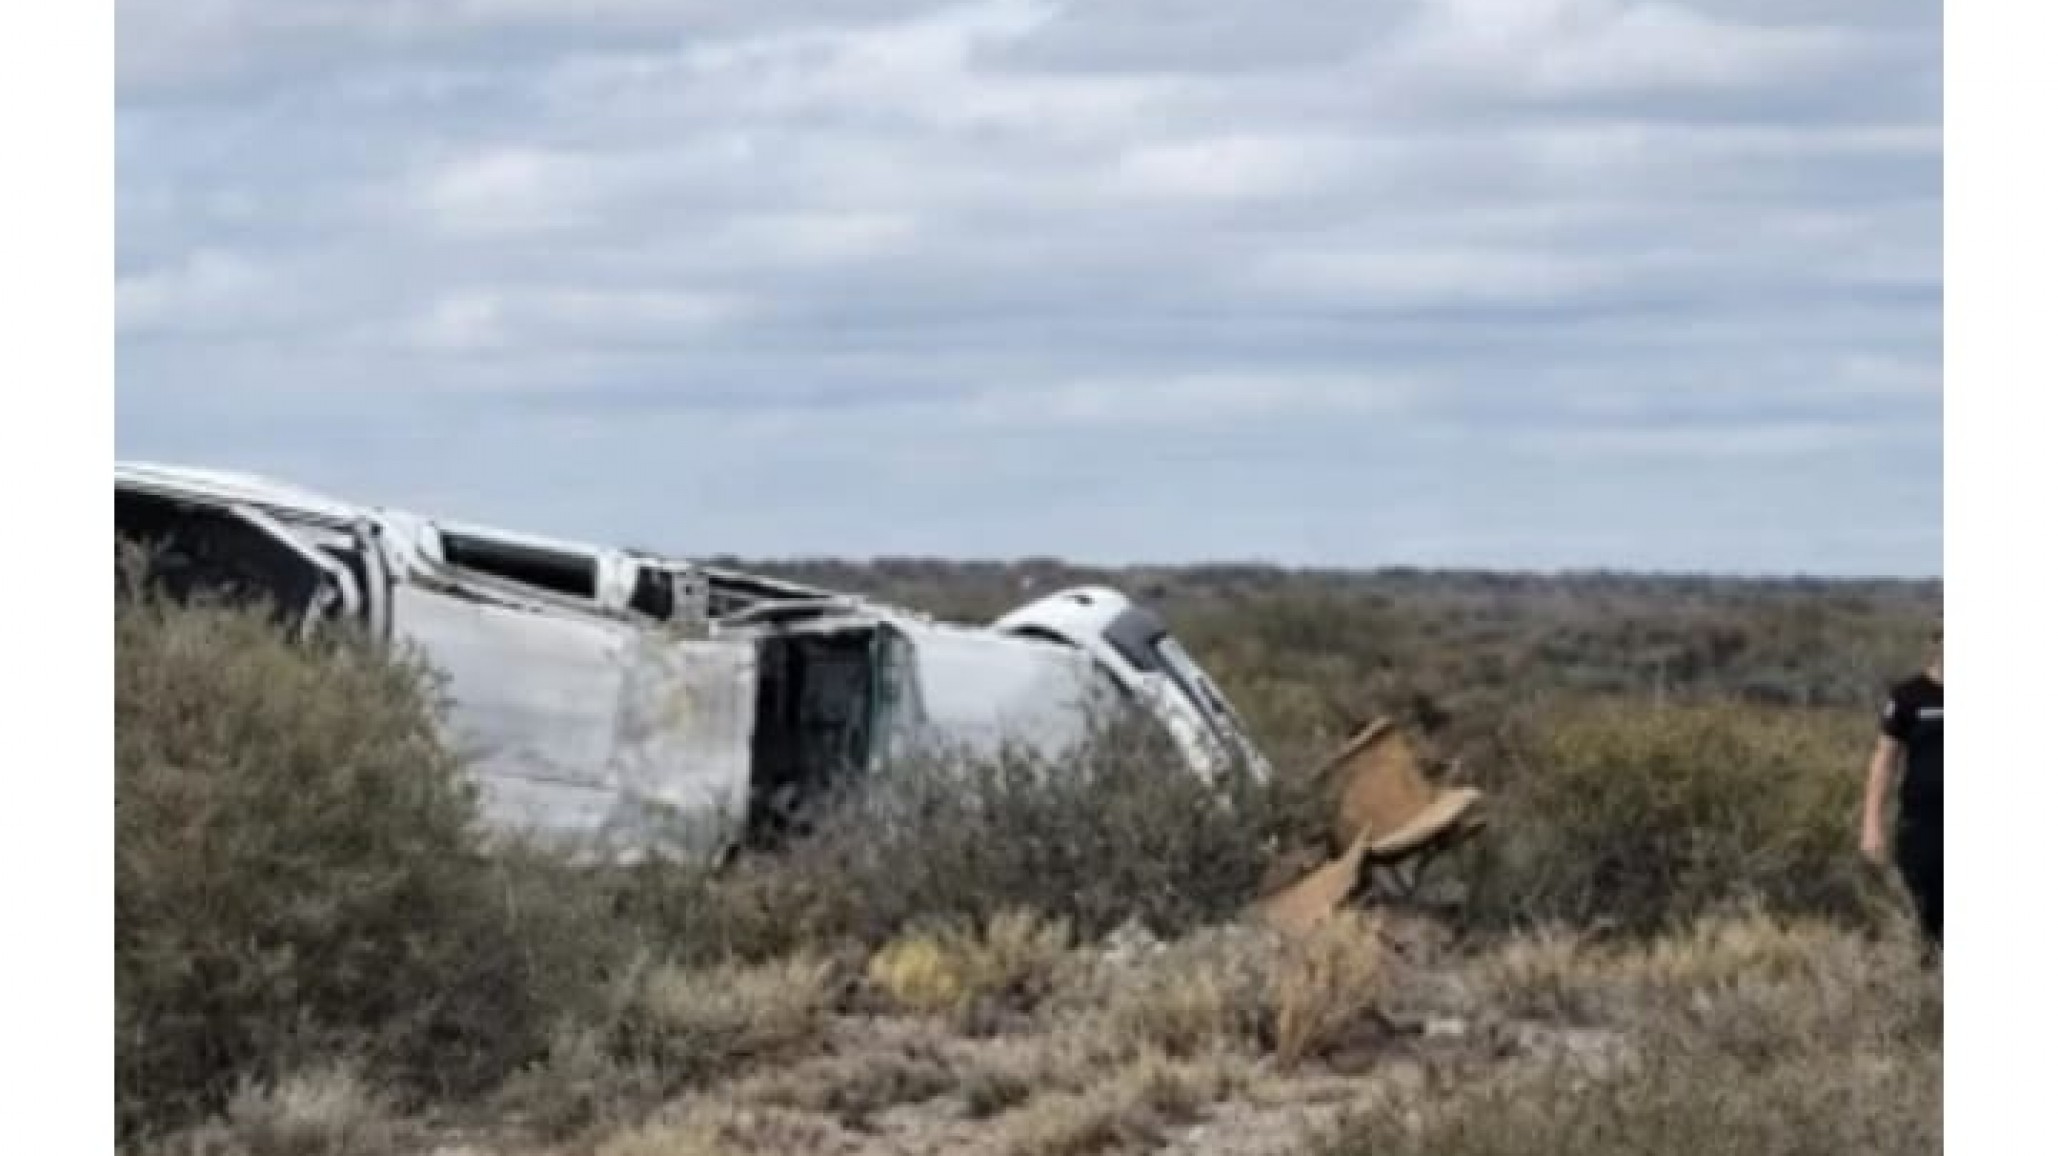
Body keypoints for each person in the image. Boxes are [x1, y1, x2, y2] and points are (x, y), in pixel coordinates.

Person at [1861, 621, 1943, 954]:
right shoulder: (1909, 696)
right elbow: (1883, 762)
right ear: (1937, 640)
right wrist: (1872, 826)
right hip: (1923, 827)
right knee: (1926, 915)